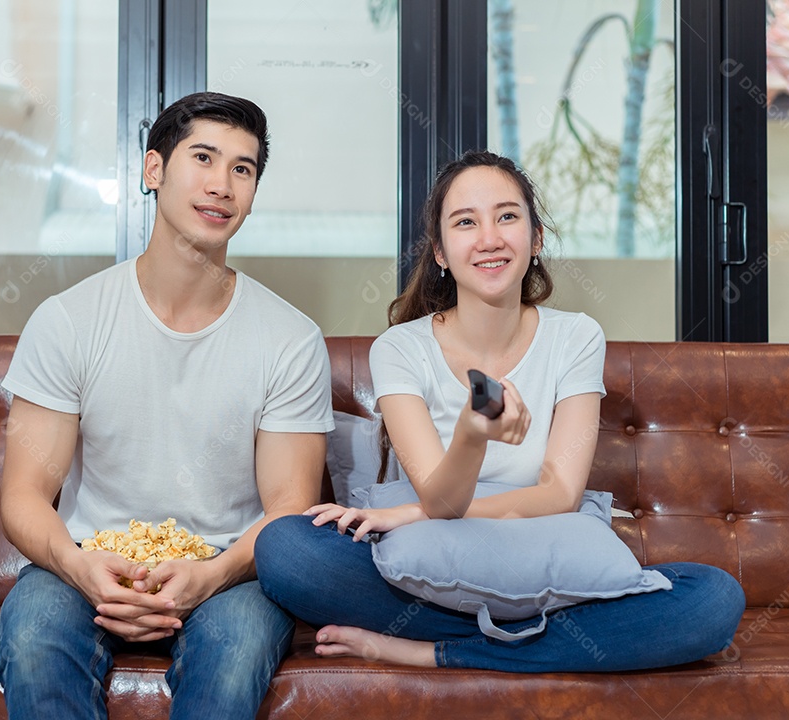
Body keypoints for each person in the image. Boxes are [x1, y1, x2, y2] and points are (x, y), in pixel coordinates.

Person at [254, 150, 745, 672]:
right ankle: (534, 644)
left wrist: (407, 515)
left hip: (540, 573)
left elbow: (560, 493)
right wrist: (471, 434)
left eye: (507, 216)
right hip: (433, 578)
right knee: (286, 548)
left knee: (714, 597)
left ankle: (438, 652)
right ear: (441, 252)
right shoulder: (400, 348)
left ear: (535, 238)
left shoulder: (575, 337)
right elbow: (440, 501)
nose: (489, 238)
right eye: (466, 222)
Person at [0, 92, 333, 719]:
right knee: (33, 635)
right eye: (203, 157)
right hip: (87, 560)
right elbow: (22, 495)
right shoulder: (68, 320)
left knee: (234, 654)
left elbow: (289, 509)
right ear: (154, 172)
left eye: (243, 168)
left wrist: (212, 574)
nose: (222, 184)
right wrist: (77, 564)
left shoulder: (290, 339)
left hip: (228, 569)